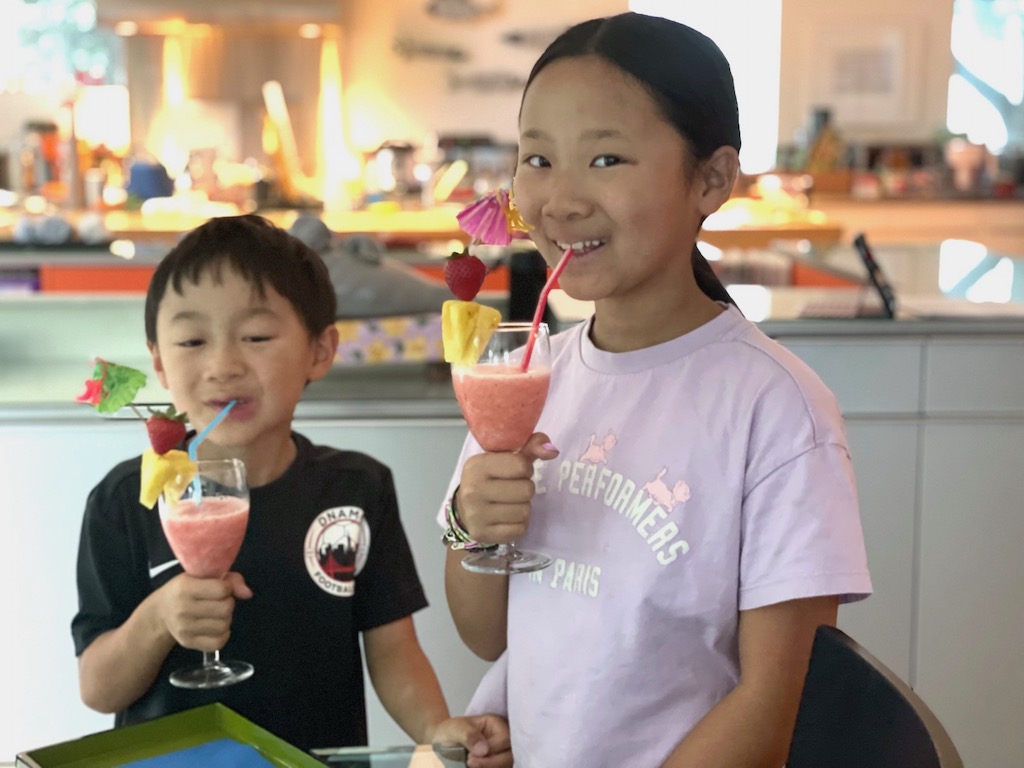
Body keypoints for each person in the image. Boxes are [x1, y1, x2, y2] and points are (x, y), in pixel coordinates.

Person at [439, 12, 872, 768]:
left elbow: (774, 705)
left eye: (605, 158)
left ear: (710, 179)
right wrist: (475, 525)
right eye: (536, 158)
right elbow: (486, 635)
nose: (560, 199)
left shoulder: (778, 412)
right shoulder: (523, 381)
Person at [72, 214, 511, 767]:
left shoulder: (356, 487)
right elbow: (98, 689)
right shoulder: (125, 499)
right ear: (159, 360)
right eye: (191, 340)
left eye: (256, 336)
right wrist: (158, 619)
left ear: (320, 351)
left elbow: (394, 654)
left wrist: (437, 729)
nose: (222, 365)